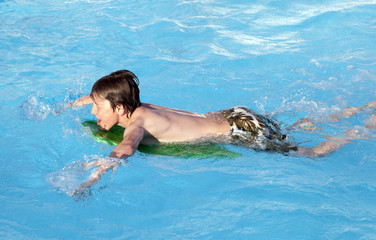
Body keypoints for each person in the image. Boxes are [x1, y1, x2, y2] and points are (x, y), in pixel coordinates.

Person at [70, 69, 376, 197]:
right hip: (234, 114)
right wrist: (80, 100)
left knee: (312, 154)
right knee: (291, 129)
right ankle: (361, 107)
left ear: (120, 108)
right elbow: (107, 98)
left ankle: (365, 126)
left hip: (239, 130)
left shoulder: (137, 125)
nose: (94, 112)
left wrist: (94, 175)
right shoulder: (139, 106)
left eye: (98, 107)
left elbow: (126, 148)